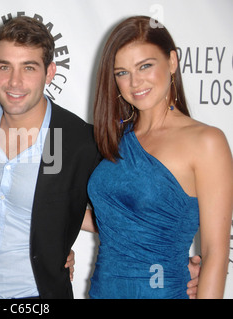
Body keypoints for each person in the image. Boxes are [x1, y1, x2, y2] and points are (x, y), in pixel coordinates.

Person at [84, 16, 232, 298]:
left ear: (172, 62)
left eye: (145, 66)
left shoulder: (206, 142)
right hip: (102, 291)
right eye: (122, 72)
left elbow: (215, 253)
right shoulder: (115, 137)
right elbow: (116, 219)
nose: (134, 81)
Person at [0, 16, 100, 299]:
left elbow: (119, 213)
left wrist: (55, 244)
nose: (15, 81)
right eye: (5, 67)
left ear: (49, 72)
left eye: (29, 68)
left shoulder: (79, 140)